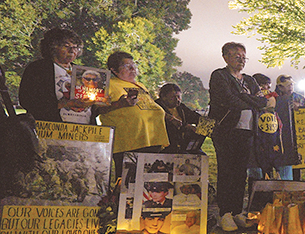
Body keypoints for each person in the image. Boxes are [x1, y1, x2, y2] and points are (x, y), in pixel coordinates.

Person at [208, 42, 267, 232]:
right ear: (225, 57)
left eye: (243, 56)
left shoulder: (249, 80)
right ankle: (224, 213)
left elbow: (262, 100)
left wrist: (247, 99)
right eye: (236, 56)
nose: (241, 60)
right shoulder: (219, 76)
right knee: (227, 171)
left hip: (247, 131)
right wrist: (252, 102)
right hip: (226, 130)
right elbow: (229, 100)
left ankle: (236, 211)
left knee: (241, 172)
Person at [98, 51, 169, 180]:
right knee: (127, 183)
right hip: (128, 143)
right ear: (113, 70)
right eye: (127, 66)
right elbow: (97, 109)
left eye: (134, 65)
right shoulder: (108, 85)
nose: (133, 69)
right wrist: (119, 104)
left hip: (151, 140)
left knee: (147, 183)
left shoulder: (139, 85)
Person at [19, 27, 94, 124]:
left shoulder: (83, 72)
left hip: (83, 132)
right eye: (67, 46)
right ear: (53, 48)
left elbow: (91, 108)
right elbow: (26, 100)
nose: (72, 50)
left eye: (75, 47)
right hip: (50, 130)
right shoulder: (38, 69)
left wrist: (100, 101)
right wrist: (61, 104)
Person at [156, 83, 204, 153]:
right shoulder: (156, 108)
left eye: (179, 97)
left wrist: (211, 125)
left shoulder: (180, 108)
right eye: (173, 97)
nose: (177, 100)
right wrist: (185, 127)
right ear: (163, 97)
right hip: (166, 147)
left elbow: (195, 117)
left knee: (201, 155)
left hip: (183, 145)